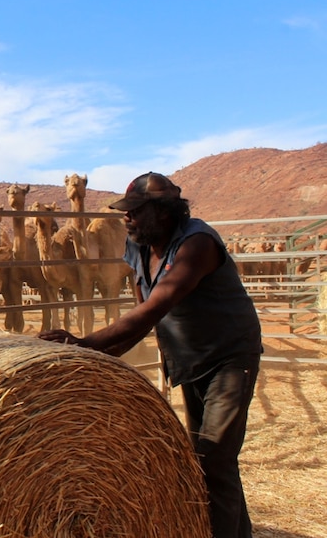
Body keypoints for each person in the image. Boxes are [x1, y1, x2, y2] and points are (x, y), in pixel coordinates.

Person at [38, 171, 262, 538]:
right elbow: (144, 322)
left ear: (164, 212)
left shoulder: (197, 244)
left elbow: (154, 308)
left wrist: (83, 343)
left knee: (212, 460)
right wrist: (92, 360)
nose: (126, 217)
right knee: (215, 460)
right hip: (190, 361)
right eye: (126, 211)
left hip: (229, 360)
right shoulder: (139, 247)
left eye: (136, 211)